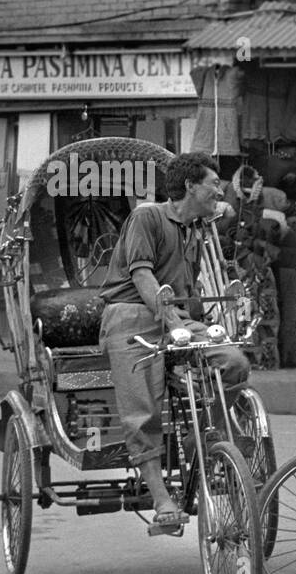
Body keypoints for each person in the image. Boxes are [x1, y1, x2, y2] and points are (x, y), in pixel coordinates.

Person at [99, 153, 251, 536]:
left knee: (234, 362)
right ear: (190, 186)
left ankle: (198, 438)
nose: (220, 191)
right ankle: (162, 500)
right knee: (143, 410)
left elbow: (188, 289)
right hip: (131, 316)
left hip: (177, 320)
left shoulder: (195, 230)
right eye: (214, 183)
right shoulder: (147, 217)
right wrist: (172, 321)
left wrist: (207, 321)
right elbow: (143, 276)